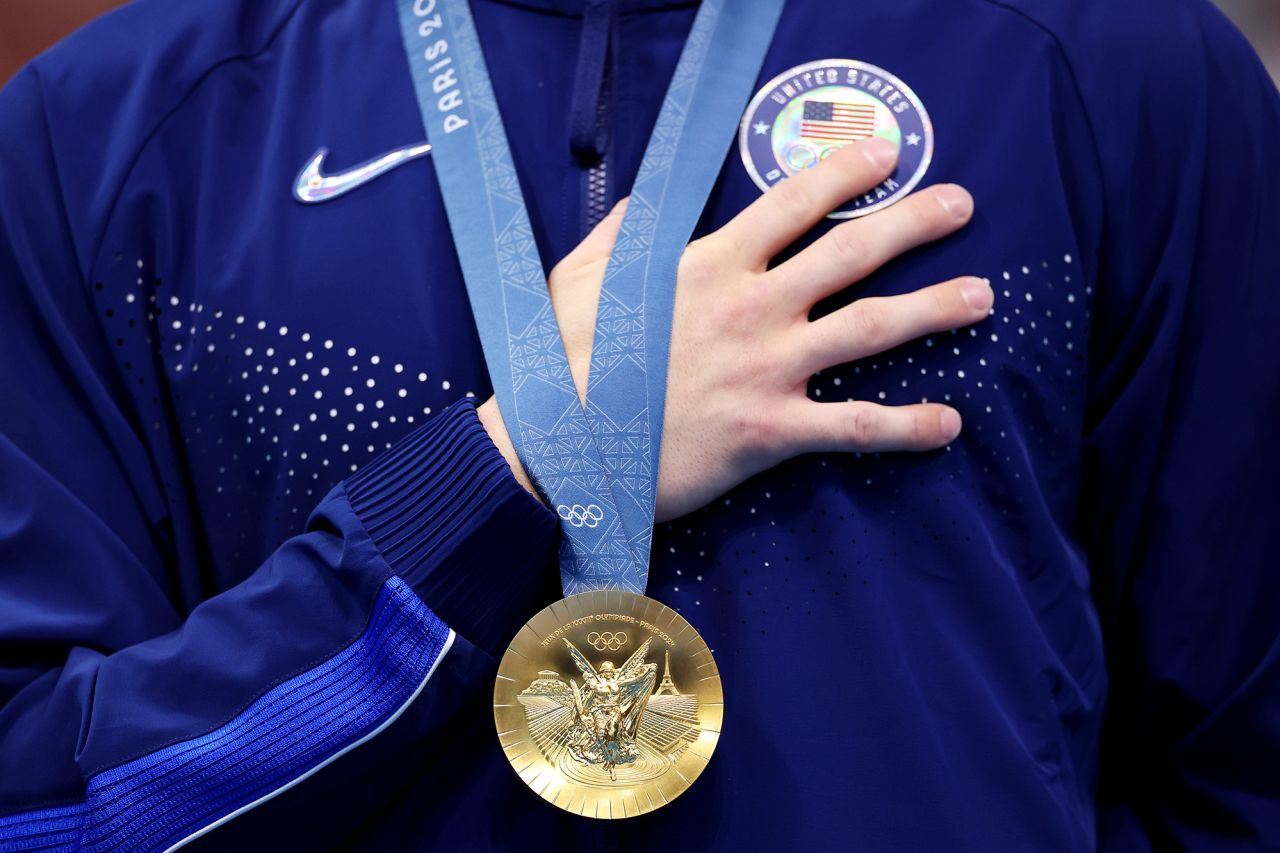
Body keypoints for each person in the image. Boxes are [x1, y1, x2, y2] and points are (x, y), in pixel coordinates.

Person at [0, 0, 1276, 849]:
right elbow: (36, 804)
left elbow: (1243, 756)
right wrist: (499, 478)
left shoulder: (1115, 67)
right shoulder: (103, 138)